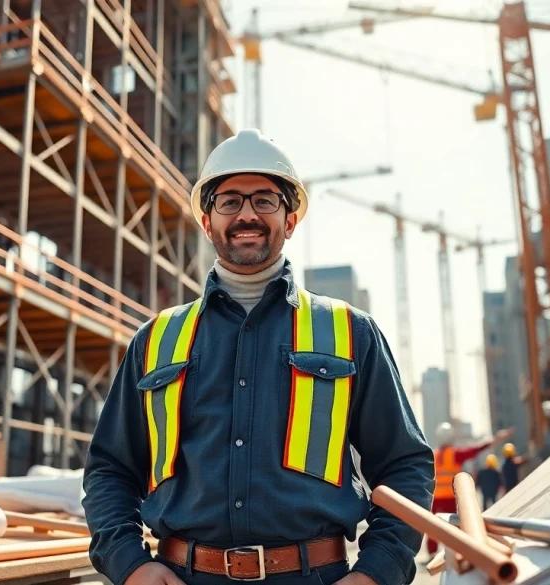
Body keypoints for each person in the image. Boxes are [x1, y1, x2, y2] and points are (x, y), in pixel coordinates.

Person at [83, 129, 435, 585]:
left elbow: (405, 466)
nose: (246, 214)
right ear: (207, 221)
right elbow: (110, 468)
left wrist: (376, 573)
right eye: (229, 201)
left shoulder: (351, 333)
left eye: (265, 200)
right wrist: (129, 564)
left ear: (290, 221)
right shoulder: (156, 340)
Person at [428, 422, 513, 555]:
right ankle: (453, 550)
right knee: (453, 525)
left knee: (433, 525)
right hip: (450, 497)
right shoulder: (455, 454)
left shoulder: (432, 454)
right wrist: (495, 439)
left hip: (435, 497)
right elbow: (475, 449)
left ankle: (432, 552)